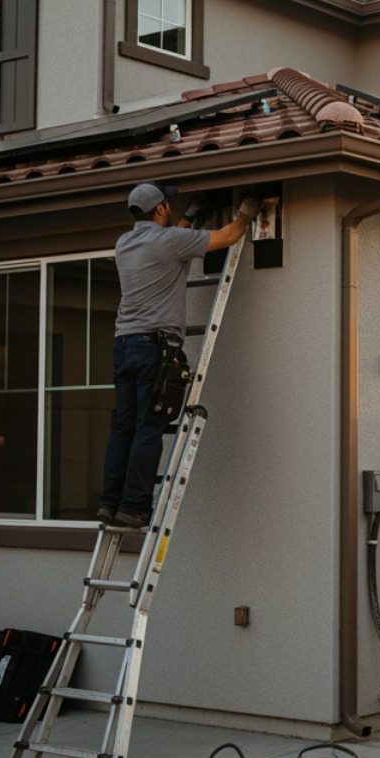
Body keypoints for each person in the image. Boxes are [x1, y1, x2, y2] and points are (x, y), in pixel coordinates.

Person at [97, 183, 257, 528]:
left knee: (123, 427)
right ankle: (134, 506)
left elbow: (171, 239)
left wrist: (187, 218)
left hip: (123, 344)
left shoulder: (125, 243)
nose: (168, 209)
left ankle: (110, 503)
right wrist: (248, 211)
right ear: (158, 210)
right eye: (166, 206)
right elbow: (228, 236)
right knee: (148, 428)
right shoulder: (170, 241)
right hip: (154, 347)